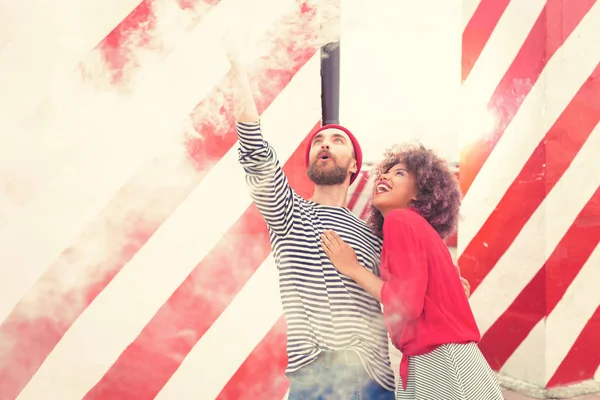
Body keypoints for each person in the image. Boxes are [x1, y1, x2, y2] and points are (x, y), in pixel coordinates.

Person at [320, 144, 504, 399]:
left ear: (420, 193)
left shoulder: (400, 220)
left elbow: (405, 304)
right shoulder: (422, 232)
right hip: (441, 359)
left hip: (441, 362)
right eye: (384, 173)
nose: (384, 176)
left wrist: (352, 268)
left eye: (400, 173)